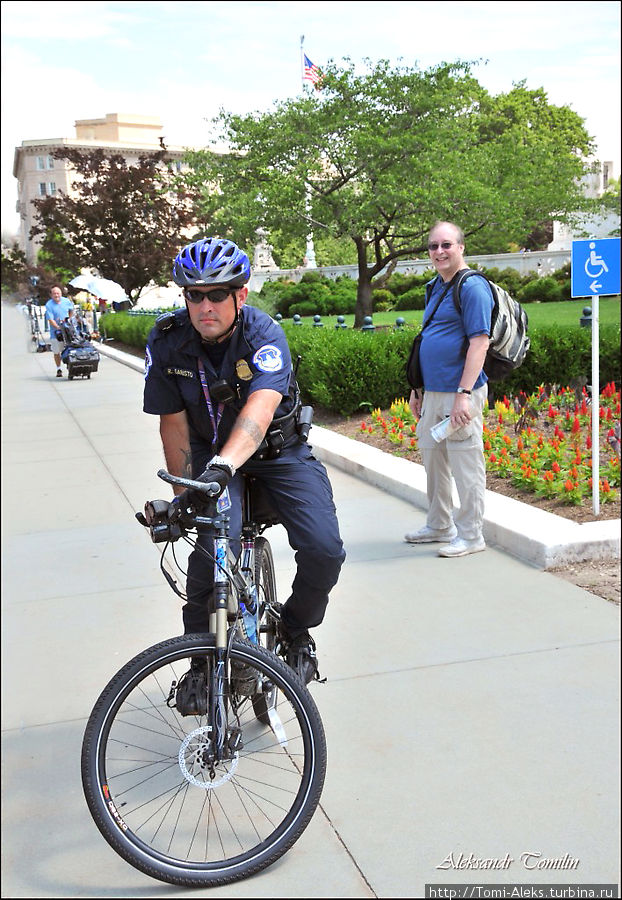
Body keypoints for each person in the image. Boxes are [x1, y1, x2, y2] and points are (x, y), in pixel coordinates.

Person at [143, 237, 346, 713]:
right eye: (194, 295)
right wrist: (184, 494)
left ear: (242, 294)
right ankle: (199, 663)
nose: (205, 305)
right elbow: (172, 424)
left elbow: (258, 413)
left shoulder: (264, 335)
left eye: (218, 294)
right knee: (211, 552)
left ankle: (296, 630)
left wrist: (221, 466)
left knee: (324, 548)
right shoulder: (167, 339)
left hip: (277, 453)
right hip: (211, 461)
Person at [405, 221, 494, 558]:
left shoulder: (472, 288)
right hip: (434, 392)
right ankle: (440, 524)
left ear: (461, 248)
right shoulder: (437, 286)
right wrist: (419, 389)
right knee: (434, 458)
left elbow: (479, 343)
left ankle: (472, 535)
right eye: (433, 246)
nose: (439, 251)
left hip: (460, 392)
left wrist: (464, 394)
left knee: (465, 462)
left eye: (446, 245)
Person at [44, 285, 74, 377]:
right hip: (56, 332)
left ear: (61, 293)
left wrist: (68, 320)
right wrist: (57, 327)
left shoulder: (66, 301)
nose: (56, 295)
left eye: (58, 293)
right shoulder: (49, 305)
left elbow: (71, 311)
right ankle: (58, 368)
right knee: (57, 351)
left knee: (70, 348)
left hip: (67, 329)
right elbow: (50, 319)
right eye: (54, 293)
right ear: (51, 295)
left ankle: (71, 366)